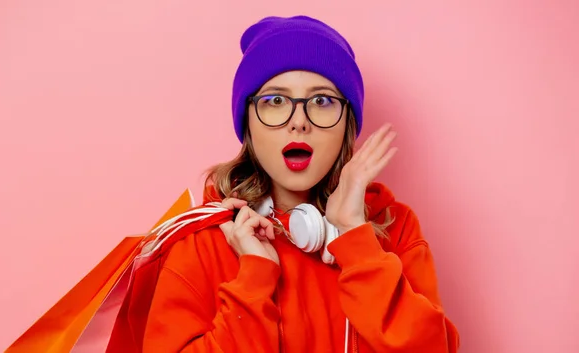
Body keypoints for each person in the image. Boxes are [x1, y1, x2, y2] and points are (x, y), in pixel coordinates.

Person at [142, 15, 460, 353]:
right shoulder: (204, 242)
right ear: (248, 123)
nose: (299, 122)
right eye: (275, 101)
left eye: (321, 101)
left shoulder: (393, 228)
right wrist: (254, 278)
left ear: (347, 124)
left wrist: (356, 241)